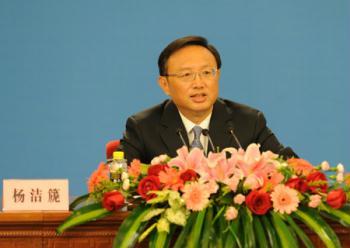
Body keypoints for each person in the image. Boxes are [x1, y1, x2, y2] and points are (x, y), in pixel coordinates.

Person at [120, 35, 297, 163]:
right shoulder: (143, 127)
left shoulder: (249, 122)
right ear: (165, 84)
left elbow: (291, 169)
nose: (199, 83)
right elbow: (118, 183)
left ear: (217, 75)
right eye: (186, 75)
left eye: (206, 73)